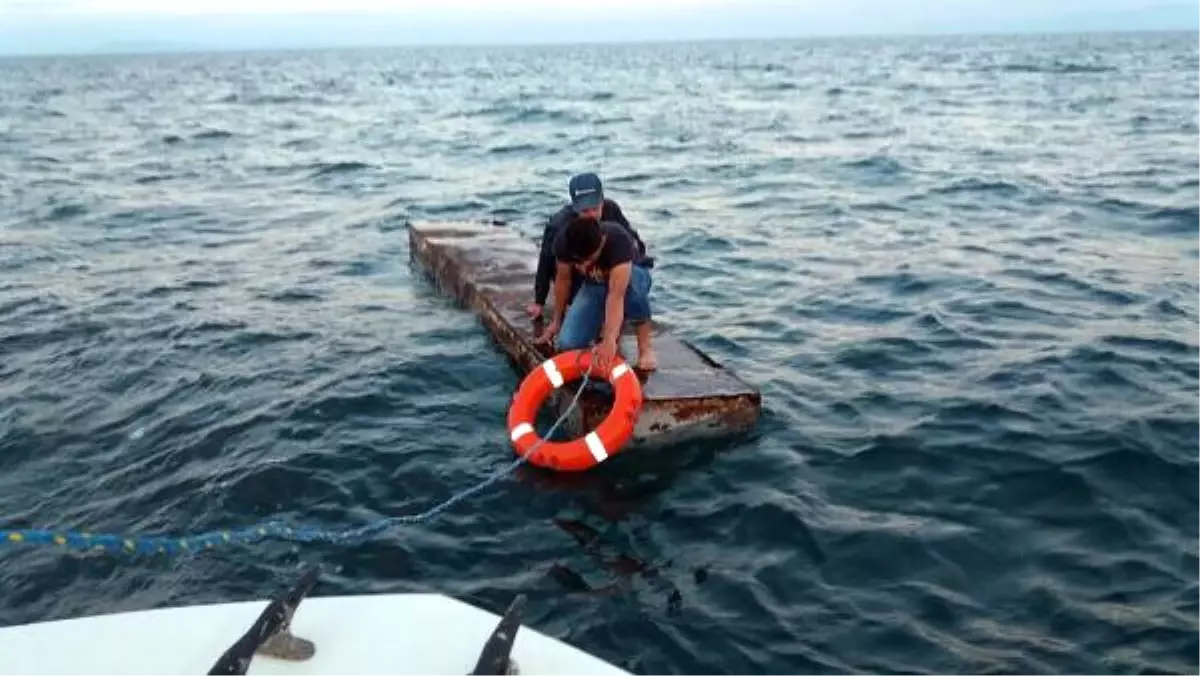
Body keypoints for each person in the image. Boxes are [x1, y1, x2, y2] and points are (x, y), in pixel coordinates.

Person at [534, 215, 657, 372]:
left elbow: (616, 296)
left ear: (602, 242)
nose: (584, 265)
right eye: (579, 261)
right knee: (567, 343)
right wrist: (556, 321)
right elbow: (562, 281)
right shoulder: (564, 243)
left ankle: (645, 347)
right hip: (595, 285)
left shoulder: (618, 240)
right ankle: (600, 324)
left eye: (589, 259)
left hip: (631, 278)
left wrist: (609, 340)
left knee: (633, 287)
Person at [526, 172, 648, 321]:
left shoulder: (611, 211)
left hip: (611, 269)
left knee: (635, 272)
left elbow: (635, 242)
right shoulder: (559, 225)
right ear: (575, 207)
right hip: (578, 274)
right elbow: (545, 262)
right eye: (585, 211)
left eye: (595, 208)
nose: (591, 215)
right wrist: (539, 301)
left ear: (602, 201)